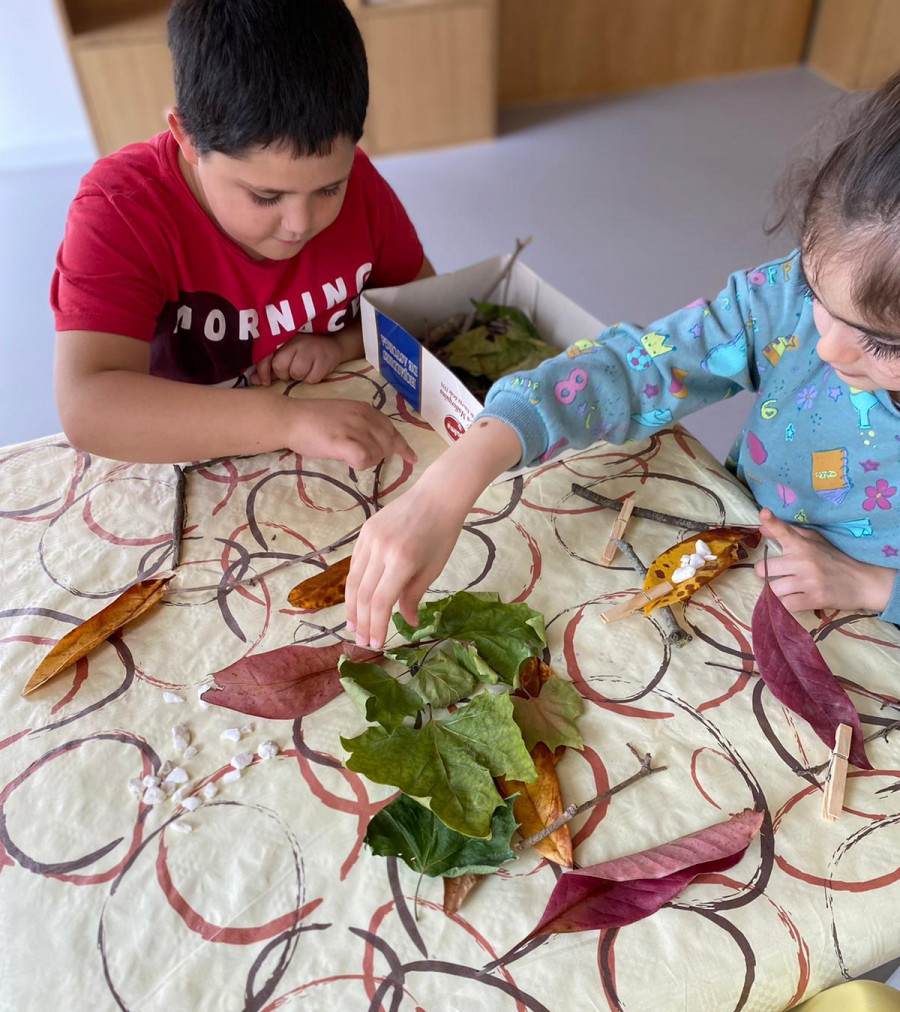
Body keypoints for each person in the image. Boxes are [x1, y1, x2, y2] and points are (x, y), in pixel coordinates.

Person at [345, 72, 900, 647]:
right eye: (816, 294)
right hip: (742, 570)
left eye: (883, 343)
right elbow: (633, 370)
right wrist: (447, 487)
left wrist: (877, 587)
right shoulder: (789, 299)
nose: (828, 345)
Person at [51, 0, 431, 469]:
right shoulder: (120, 211)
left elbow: (423, 304)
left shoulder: (363, 187)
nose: (300, 223)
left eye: (330, 187)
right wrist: (285, 421)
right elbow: (88, 406)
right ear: (186, 137)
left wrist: (340, 344)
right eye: (266, 196)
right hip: (186, 457)